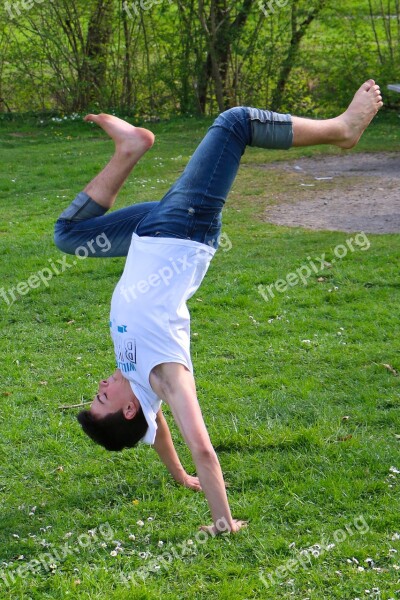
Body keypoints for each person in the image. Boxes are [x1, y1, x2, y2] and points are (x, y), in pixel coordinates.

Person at [54, 80, 383, 535]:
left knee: (69, 235)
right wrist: (222, 521)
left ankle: (132, 146)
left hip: (149, 231)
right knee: (236, 122)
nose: (101, 385)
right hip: (183, 228)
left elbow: (158, 434)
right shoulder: (165, 375)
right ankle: (342, 129)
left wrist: (178, 476)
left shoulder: (138, 390)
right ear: (128, 410)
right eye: (103, 397)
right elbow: (201, 447)